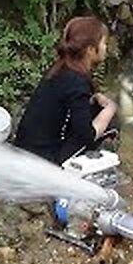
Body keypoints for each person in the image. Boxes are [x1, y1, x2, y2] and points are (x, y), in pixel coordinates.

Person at [14, 16, 119, 167]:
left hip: (26, 148)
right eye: (103, 43)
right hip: (44, 160)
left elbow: (67, 104)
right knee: (109, 122)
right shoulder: (77, 82)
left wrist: (92, 98)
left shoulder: (61, 69)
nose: (105, 47)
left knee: (96, 109)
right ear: (90, 50)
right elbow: (87, 136)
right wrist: (111, 108)